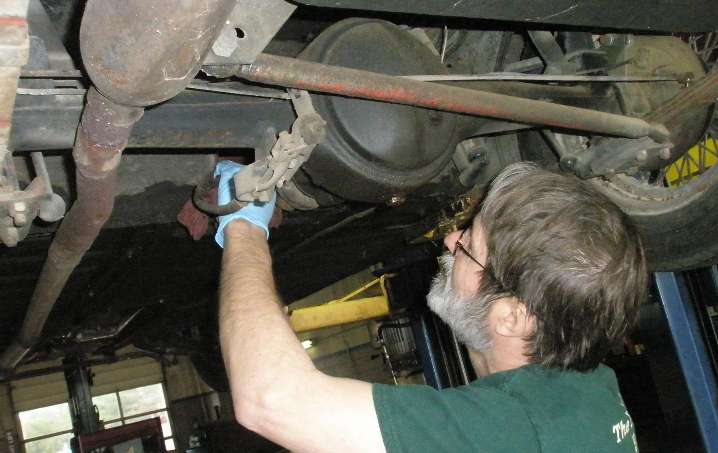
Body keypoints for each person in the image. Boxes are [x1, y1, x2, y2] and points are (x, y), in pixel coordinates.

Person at [214, 160, 647, 452]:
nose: (451, 240)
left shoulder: (514, 429)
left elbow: (270, 400)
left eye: (469, 246)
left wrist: (244, 226)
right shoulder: (588, 390)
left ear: (512, 317)